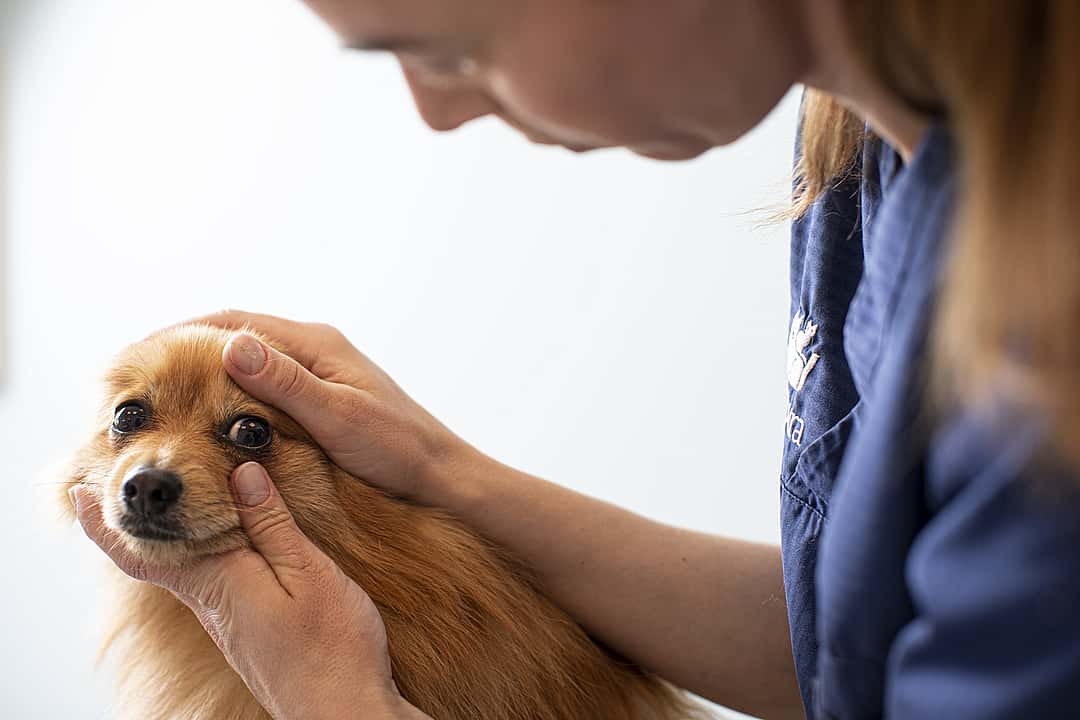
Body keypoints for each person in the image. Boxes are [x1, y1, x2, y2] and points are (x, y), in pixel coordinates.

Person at [68, 0, 1080, 718]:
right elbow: (871, 646)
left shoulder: (1049, 277)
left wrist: (336, 701)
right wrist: (441, 472)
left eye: (446, 46)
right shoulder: (862, 163)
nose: (438, 110)